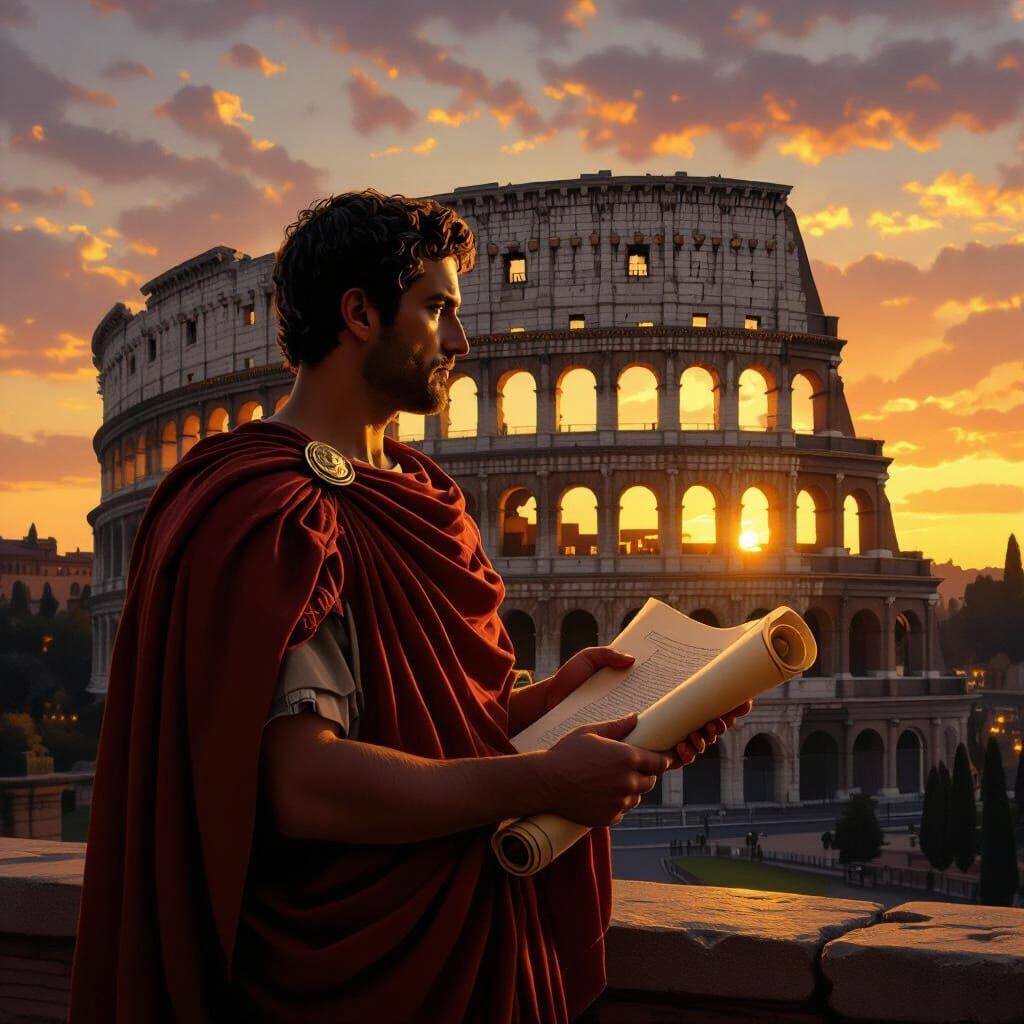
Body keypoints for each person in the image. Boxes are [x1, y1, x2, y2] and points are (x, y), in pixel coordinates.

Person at [68, 189, 752, 1023]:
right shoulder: (277, 513)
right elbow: (307, 785)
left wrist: (562, 704)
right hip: (344, 966)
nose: (460, 342)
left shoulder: (423, 492)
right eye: (436, 310)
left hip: (449, 928)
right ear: (360, 313)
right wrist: (542, 778)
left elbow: (424, 721)